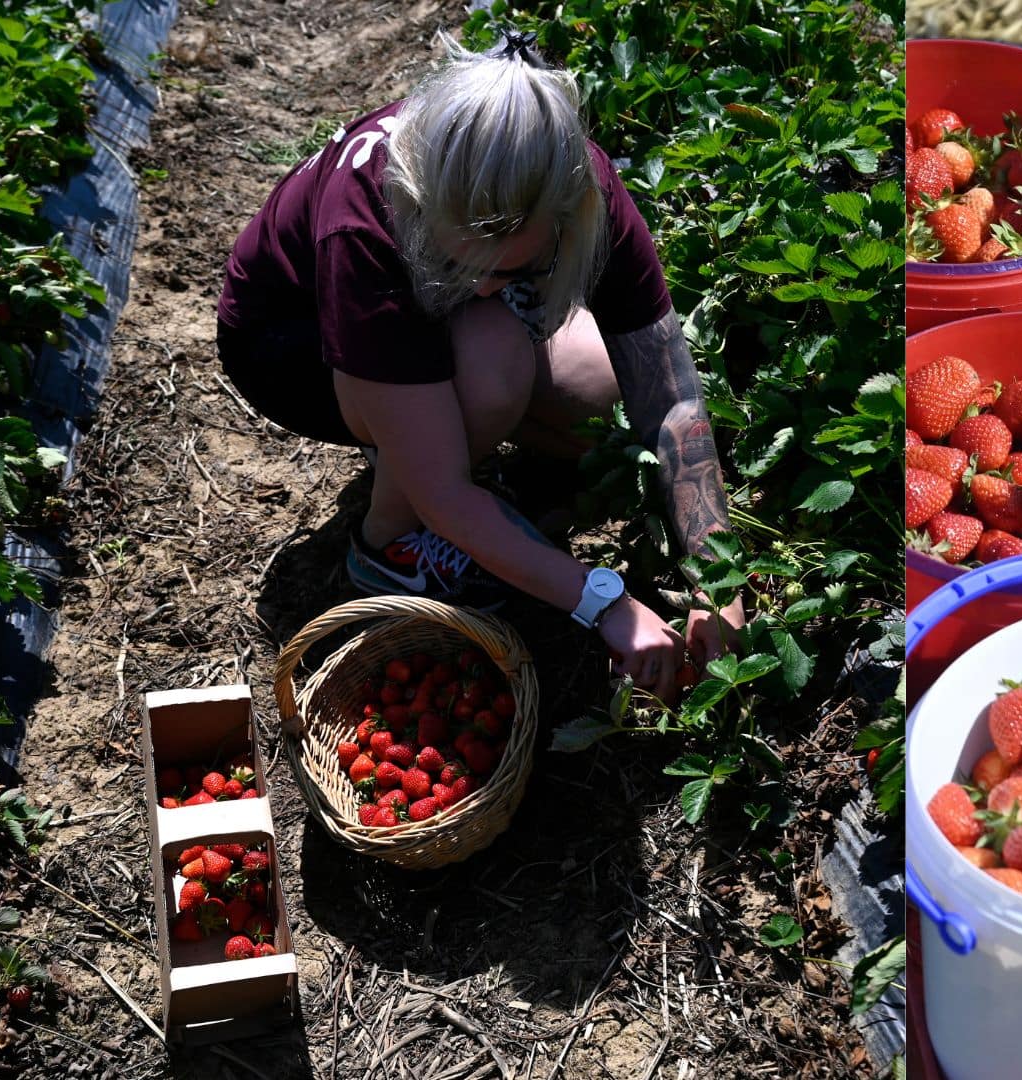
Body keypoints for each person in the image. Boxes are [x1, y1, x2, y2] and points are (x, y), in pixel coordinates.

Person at [215, 31, 742, 700]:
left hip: (419, 325)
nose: (480, 283)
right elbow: (446, 494)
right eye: (453, 261)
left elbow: (669, 396)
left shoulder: (578, 184)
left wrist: (718, 579)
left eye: (514, 268)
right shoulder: (365, 222)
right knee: (491, 364)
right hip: (291, 349)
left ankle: (438, 435)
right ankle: (388, 547)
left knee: (597, 387)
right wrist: (604, 601)